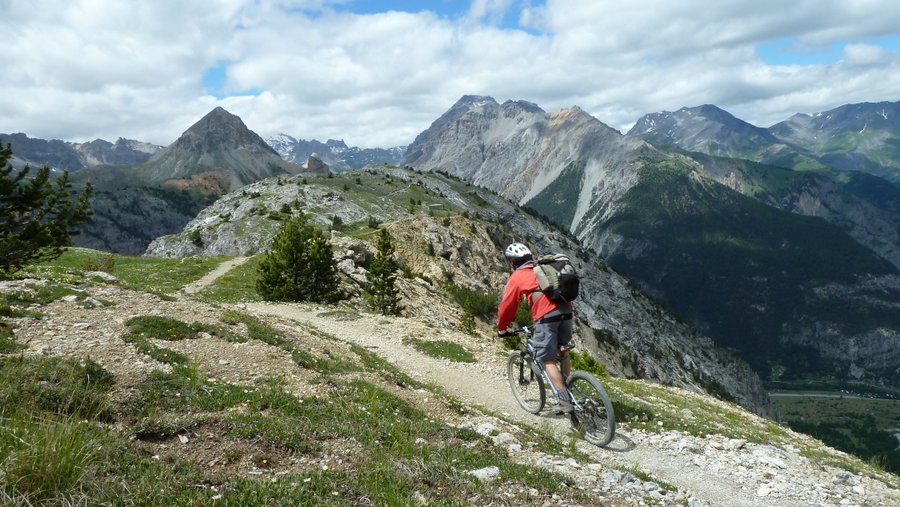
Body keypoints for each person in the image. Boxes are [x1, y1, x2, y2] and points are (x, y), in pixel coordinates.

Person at [497, 242, 575, 413]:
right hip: (567, 311)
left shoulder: (517, 277)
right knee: (562, 350)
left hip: (546, 316)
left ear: (512, 262)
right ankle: (569, 385)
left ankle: (565, 401)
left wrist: (502, 328)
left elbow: (507, 306)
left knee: (547, 359)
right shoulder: (543, 267)